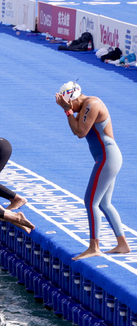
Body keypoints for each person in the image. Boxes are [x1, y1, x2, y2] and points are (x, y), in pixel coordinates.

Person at [55, 81, 130, 260]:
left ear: (73, 99)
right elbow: (76, 130)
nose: (71, 108)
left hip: (107, 157)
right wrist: (68, 110)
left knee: (90, 201)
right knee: (104, 203)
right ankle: (122, 244)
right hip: (106, 157)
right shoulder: (83, 106)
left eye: (70, 104)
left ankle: (94, 246)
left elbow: (80, 132)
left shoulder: (92, 104)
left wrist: (67, 111)